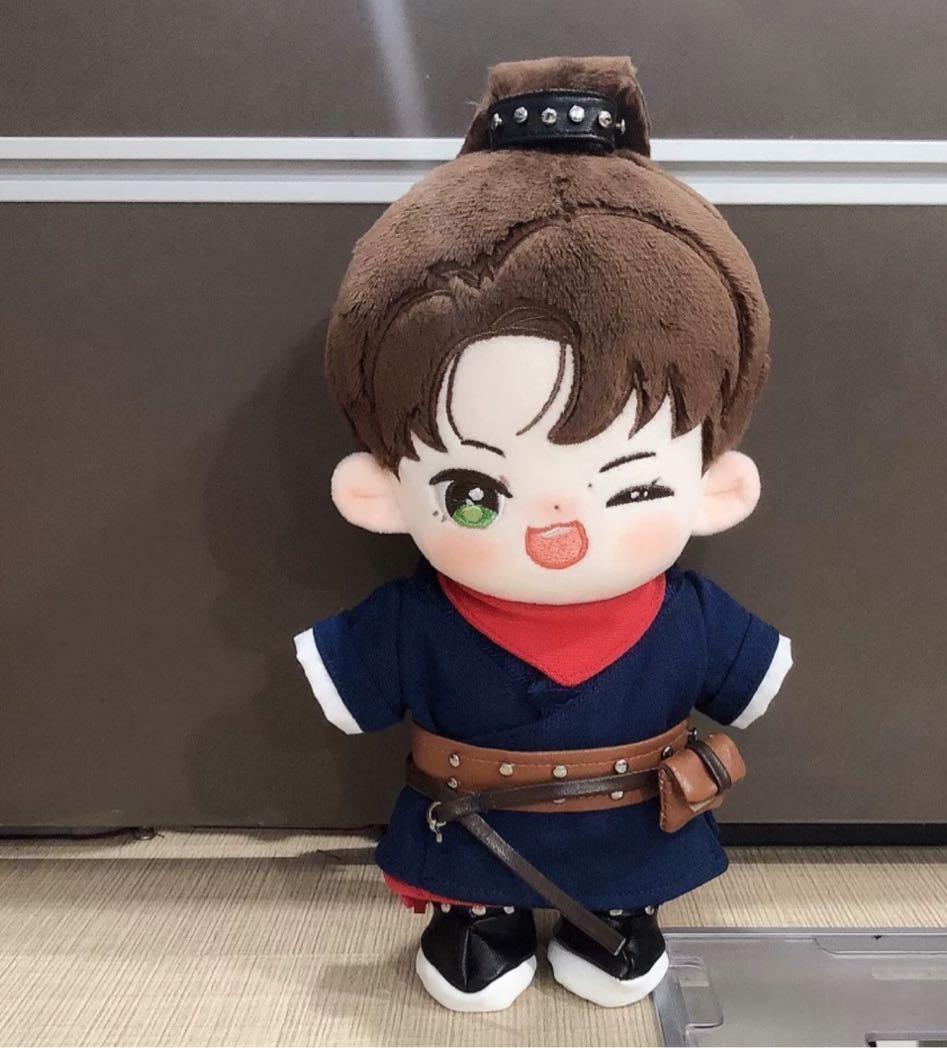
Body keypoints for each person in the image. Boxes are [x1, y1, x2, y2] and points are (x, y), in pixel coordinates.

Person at [294, 55, 793, 1012]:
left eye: (632, 486)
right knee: (475, 922)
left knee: (618, 925)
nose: (556, 528)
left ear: (715, 489)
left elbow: (755, 688)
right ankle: (482, 922)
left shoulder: (690, 615)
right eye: (476, 491)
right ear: (383, 492)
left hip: (636, 839)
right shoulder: (414, 619)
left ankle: (614, 919)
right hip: (467, 841)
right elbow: (346, 697)